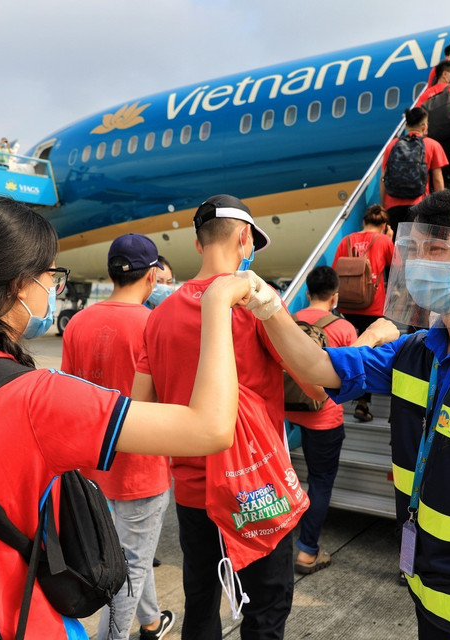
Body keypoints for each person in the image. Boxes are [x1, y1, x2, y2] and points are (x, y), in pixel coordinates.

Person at [0, 195, 252, 639]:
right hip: (15, 619)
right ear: (19, 284)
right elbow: (210, 428)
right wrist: (218, 300)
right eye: (51, 274)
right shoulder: (37, 396)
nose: (55, 287)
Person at [241, 189, 450, 640]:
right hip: (429, 599)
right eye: (413, 249)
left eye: (436, 248)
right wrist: (267, 306)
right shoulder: (418, 353)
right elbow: (317, 368)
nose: (419, 262)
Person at [133, 194, 295, 640]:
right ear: (245, 238)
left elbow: (142, 405)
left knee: (201, 600)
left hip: (191, 490)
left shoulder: (158, 316)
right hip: (254, 484)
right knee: (267, 603)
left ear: (198, 242)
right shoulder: (255, 305)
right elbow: (315, 384)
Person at [61, 233, 174, 640]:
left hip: (92, 463)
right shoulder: (153, 324)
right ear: (151, 275)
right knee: (131, 564)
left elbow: (70, 394)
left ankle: (151, 621)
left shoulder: (78, 322)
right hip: (140, 467)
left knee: (126, 557)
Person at [284, 266, 357, 575]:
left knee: (280, 477)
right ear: (335, 297)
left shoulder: (288, 321)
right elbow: (353, 376)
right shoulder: (344, 328)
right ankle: (306, 552)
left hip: (284, 409)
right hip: (323, 416)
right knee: (320, 482)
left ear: (309, 292)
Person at [332, 204, 395, 423]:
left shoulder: (345, 241)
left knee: (352, 348)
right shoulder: (385, 241)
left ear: (364, 222)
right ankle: (363, 403)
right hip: (373, 306)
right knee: (369, 354)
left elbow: (335, 270)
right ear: (384, 226)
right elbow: (396, 267)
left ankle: (346, 392)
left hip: (348, 305)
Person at [380, 107, 449, 224]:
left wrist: (383, 206)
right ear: (424, 126)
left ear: (406, 126)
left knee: (397, 241)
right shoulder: (432, 145)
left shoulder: (392, 145)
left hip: (393, 206)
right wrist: (440, 207)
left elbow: (383, 179)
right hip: (419, 205)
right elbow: (437, 180)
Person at [418, 63, 450, 189]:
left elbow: (418, 115)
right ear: (445, 74)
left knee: (438, 177)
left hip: (433, 142)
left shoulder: (425, 94)